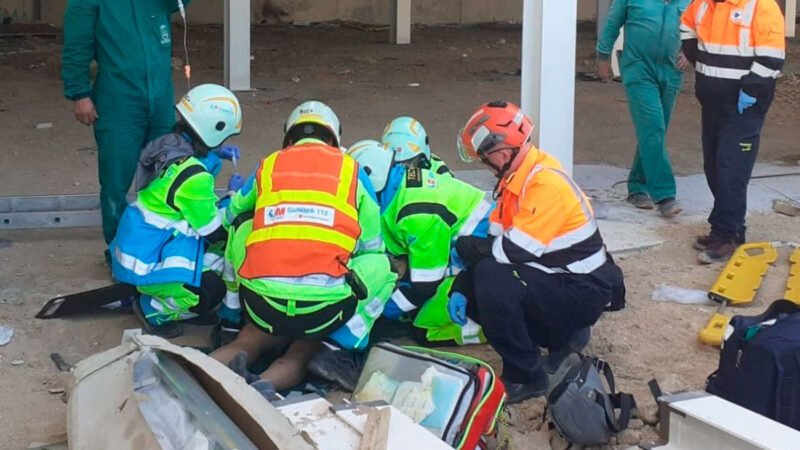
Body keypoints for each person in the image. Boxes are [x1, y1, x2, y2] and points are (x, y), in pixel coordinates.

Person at [211, 101, 397, 397]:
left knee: (242, 229)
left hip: (261, 304)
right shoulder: (352, 171)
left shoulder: (269, 165)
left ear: (288, 138)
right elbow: (371, 244)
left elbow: (232, 214)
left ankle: (229, 324)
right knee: (382, 266)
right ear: (334, 140)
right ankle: (335, 350)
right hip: (323, 309)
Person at [450, 101, 625, 404]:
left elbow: (510, 251)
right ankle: (563, 339)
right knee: (483, 281)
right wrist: (463, 283)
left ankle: (526, 377)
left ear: (502, 154)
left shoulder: (544, 184)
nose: (484, 164)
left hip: (583, 289)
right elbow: (495, 242)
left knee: (492, 280)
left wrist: (468, 250)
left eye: (484, 158)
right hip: (568, 281)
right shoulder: (517, 180)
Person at [110, 84, 244, 338]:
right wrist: (232, 196)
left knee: (211, 263)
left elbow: (193, 170)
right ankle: (155, 308)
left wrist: (215, 154)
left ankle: (163, 292)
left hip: (138, 245)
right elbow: (214, 231)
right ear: (214, 132)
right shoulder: (195, 178)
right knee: (212, 286)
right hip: (145, 261)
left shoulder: (169, 147)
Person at [62, 0, 191, 258]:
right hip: (118, 101)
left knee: (165, 175)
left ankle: (159, 247)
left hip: (160, 99)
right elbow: (76, 47)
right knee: (115, 180)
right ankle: (119, 252)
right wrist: (79, 94)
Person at [346, 139, 494, 346]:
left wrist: (380, 313)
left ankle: (491, 329)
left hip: (477, 263)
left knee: (426, 330)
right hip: (467, 253)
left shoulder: (416, 215)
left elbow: (424, 284)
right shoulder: (400, 187)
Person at [680, 0, 786, 263]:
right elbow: (686, 26)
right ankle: (732, 228)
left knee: (731, 169)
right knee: (714, 167)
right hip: (712, 102)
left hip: (744, 106)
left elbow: (772, 57)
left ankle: (724, 234)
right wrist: (695, 55)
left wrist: (751, 90)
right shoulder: (703, 4)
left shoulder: (761, 6)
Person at [597, 0, 690, 218]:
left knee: (655, 131)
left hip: (671, 71)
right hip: (639, 69)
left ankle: (638, 187)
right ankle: (665, 195)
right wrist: (603, 56)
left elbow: (701, 26)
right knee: (653, 128)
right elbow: (613, 22)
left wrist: (690, 52)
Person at [381, 116, 453, 176]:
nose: (400, 171)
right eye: (394, 164)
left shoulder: (442, 174)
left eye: (407, 165)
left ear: (421, 158)